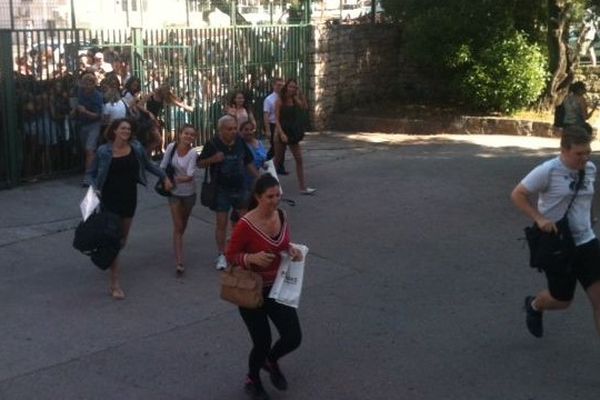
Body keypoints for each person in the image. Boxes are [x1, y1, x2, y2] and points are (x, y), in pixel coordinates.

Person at [511, 126, 600, 337]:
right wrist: (540, 218)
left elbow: (586, 197)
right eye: (579, 153)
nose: (585, 158)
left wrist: (589, 217)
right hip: (558, 244)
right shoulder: (548, 170)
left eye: (588, 152)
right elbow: (518, 194)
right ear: (564, 150)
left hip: (587, 242)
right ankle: (535, 305)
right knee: (561, 300)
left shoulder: (590, 169)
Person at [226, 174, 304, 400]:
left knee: (293, 337)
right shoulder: (246, 224)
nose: (275, 200)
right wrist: (250, 259)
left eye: (278, 195)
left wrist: (291, 250)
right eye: (270, 196)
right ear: (258, 197)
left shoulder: (281, 214)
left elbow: (283, 242)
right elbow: (231, 255)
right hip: (252, 290)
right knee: (262, 342)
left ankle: (271, 360)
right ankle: (253, 378)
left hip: (278, 288)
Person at [86, 118, 173, 299]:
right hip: (109, 199)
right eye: (123, 128)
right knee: (115, 240)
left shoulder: (137, 148)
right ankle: (115, 284)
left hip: (128, 198)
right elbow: (90, 174)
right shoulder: (104, 151)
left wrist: (164, 177)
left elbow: (148, 165)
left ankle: (107, 255)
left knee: (123, 240)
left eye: (128, 128)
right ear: (115, 131)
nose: (126, 131)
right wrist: (95, 188)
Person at [198, 115, 258, 270]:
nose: (233, 131)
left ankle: (240, 251)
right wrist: (213, 159)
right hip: (221, 189)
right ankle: (222, 254)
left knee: (243, 221)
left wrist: (259, 179)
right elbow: (200, 163)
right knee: (221, 223)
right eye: (229, 129)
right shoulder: (212, 144)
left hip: (240, 187)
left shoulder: (240, 141)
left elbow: (248, 161)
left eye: (234, 128)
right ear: (220, 130)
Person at [160, 124, 198, 275]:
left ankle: (177, 245)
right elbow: (162, 166)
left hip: (188, 193)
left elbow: (189, 176)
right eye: (186, 133)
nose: (188, 137)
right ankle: (179, 260)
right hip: (174, 193)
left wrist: (173, 180)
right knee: (178, 225)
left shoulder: (193, 153)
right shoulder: (171, 147)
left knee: (183, 225)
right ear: (180, 134)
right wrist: (165, 180)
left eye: (192, 135)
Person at [274, 79, 316, 195]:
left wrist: (301, 94)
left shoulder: (294, 99)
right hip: (282, 132)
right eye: (291, 87)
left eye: (295, 87)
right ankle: (270, 187)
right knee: (277, 161)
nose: (292, 89)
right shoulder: (279, 101)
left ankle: (302, 187)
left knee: (299, 159)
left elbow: (304, 107)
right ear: (286, 87)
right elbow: (276, 119)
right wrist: (281, 133)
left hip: (292, 132)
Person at [75, 73, 104, 187]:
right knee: (87, 150)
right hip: (83, 124)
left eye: (90, 83)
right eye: (85, 82)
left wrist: (84, 111)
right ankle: (95, 168)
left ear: (93, 84)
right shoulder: (80, 92)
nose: (87, 85)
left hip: (94, 124)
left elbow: (98, 115)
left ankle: (88, 177)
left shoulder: (97, 96)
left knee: (89, 149)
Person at [263, 77, 287, 174]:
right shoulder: (269, 99)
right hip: (273, 125)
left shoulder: (284, 98)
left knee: (283, 147)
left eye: (282, 85)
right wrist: (268, 129)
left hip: (282, 125)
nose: (280, 87)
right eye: (278, 85)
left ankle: (280, 167)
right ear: (274, 86)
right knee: (274, 147)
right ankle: (265, 161)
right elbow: (266, 115)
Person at [241, 120, 268, 191]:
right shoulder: (240, 145)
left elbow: (266, 158)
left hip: (259, 177)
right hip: (245, 180)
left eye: (251, 130)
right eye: (246, 130)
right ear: (241, 131)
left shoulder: (259, 143)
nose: (249, 132)